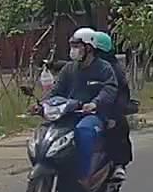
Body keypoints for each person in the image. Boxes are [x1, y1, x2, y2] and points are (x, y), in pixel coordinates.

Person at [37, 27, 118, 181]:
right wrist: (43, 105)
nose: (73, 50)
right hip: (69, 113)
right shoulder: (69, 68)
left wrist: (94, 103)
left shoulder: (104, 68)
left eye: (77, 46)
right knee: (46, 132)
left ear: (89, 48)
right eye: (72, 46)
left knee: (84, 132)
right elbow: (56, 91)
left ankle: (83, 175)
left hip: (93, 115)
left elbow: (109, 89)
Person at [91, 31, 132, 181]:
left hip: (108, 109)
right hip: (84, 107)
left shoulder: (113, 69)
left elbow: (122, 95)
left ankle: (119, 165)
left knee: (118, 127)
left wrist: (114, 115)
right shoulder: (83, 65)